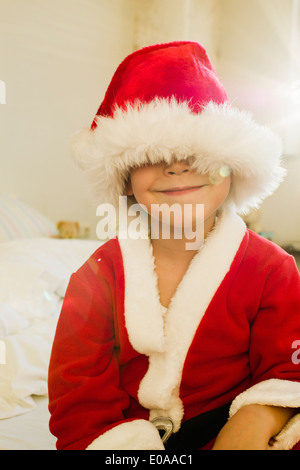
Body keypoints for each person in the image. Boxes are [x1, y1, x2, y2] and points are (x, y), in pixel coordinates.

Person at [48, 41, 300, 450]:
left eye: (199, 154)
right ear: (124, 178)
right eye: (153, 154)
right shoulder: (95, 278)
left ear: (233, 169)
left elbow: (290, 374)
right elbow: (77, 402)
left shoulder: (272, 269)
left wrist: (258, 416)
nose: (177, 166)